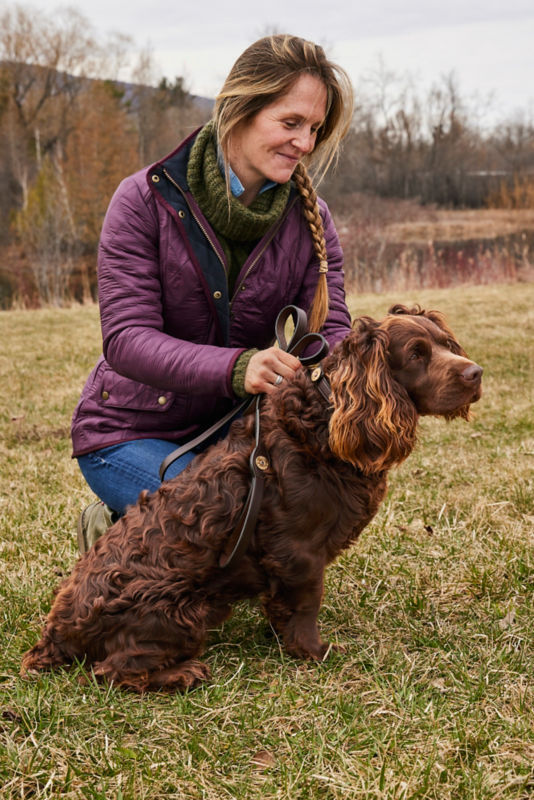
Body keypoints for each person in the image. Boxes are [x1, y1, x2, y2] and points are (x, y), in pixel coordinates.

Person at [72, 33, 355, 552]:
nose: (305, 143)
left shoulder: (312, 219)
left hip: (239, 432)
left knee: (280, 520)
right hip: (130, 431)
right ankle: (114, 528)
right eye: (290, 122)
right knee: (229, 515)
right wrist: (237, 368)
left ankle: (142, 527)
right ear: (239, 110)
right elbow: (127, 339)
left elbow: (331, 328)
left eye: (315, 128)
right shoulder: (141, 201)